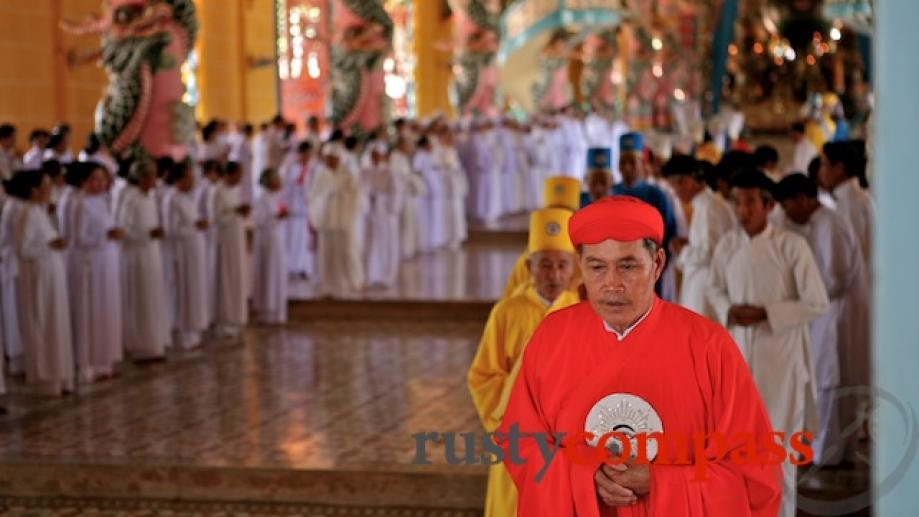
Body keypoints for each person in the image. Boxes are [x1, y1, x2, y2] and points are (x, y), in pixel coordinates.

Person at [497, 196, 782, 516]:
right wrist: (585, 474)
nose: (612, 284)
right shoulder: (552, 337)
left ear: (658, 264)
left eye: (628, 265)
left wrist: (661, 482)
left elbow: (752, 471)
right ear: (581, 266)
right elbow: (520, 444)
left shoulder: (708, 346)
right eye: (597, 267)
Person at [706, 170, 828, 516]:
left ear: (769, 205)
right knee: (738, 444)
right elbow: (713, 288)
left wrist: (767, 313)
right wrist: (729, 310)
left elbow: (817, 301)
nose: (742, 210)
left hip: (782, 359)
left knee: (780, 443)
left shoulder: (791, 246)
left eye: (750, 203)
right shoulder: (728, 245)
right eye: (738, 203)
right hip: (738, 355)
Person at [468, 207, 580, 517]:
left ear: (574, 269)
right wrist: (511, 415)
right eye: (544, 265)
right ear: (528, 267)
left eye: (562, 265)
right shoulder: (506, 312)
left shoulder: (584, 315)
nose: (554, 275)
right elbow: (483, 375)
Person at [775, 173, 869, 467]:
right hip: (827, 313)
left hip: (836, 315)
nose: (788, 213)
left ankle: (827, 455)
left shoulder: (830, 224)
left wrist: (802, 297)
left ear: (803, 200)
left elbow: (836, 279)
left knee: (829, 381)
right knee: (828, 381)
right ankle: (832, 451)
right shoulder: (818, 224)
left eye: (789, 205)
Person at [10, 169, 75, 396]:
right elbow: (23, 249)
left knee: (55, 323)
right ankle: (46, 379)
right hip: (38, 278)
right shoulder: (26, 213)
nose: (51, 191)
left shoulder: (39, 212)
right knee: (43, 322)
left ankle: (61, 376)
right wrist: (50, 245)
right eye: (47, 186)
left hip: (51, 275)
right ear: (33, 190)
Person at [661, 155, 734, 320]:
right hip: (699, 287)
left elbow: (711, 254)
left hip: (705, 290)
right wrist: (688, 245)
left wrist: (682, 250)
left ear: (687, 182)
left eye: (675, 187)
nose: (676, 193)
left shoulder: (710, 207)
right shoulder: (704, 206)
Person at [69, 163, 124, 382]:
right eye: (94, 179)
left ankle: (104, 362)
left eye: (102, 179)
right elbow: (80, 238)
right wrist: (105, 236)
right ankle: (88, 364)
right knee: (92, 310)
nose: (99, 183)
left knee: (107, 309)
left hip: (107, 261)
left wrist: (112, 234)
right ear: (83, 181)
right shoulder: (81, 204)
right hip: (92, 263)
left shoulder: (102, 201)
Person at [612, 132, 677, 299]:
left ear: (642, 163)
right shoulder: (612, 193)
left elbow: (668, 234)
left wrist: (656, 269)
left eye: (631, 162)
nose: (627, 167)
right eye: (623, 162)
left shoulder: (657, 195)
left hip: (649, 273)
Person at [116, 160, 169, 360]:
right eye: (151, 176)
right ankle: (141, 345)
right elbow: (125, 230)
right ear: (142, 178)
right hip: (137, 255)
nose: (155, 180)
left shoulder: (149, 197)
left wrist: (154, 233)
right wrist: (147, 233)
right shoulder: (131, 199)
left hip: (152, 253)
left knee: (153, 297)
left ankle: (155, 342)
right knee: (141, 298)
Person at [501, 176, 582, 300]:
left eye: (566, 214)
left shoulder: (585, 260)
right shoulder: (526, 261)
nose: (554, 275)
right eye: (553, 213)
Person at [162, 160, 209, 349]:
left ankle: (194, 330)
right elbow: (171, 229)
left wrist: (198, 224)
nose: (192, 182)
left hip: (193, 250)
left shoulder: (187, 198)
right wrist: (193, 226)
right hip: (181, 253)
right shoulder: (171, 199)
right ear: (179, 179)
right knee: (183, 291)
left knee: (194, 290)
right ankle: (183, 332)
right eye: (189, 178)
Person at [308, 150, 365, 297]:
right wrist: (326, 198)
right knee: (327, 253)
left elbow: (355, 197)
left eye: (331, 159)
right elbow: (313, 196)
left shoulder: (348, 176)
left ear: (338, 159)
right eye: (327, 159)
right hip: (326, 220)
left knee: (347, 251)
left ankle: (352, 280)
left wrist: (339, 196)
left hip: (343, 221)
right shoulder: (320, 176)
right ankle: (327, 283)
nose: (329, 162)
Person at [818, 142, 875, 273]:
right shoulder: (853, 198)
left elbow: (855, 252)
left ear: (839, 168)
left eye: (823, 165)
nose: (820, 172)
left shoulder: (850, 203)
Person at [213, 161, 250, 339]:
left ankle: (236, 318)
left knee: (236, 277)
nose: (240, 179)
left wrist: (241, 212)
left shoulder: (234, 191)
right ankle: (224, 320)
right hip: (224, 242)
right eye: (238, 175)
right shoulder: (217, 191)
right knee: (226, 279)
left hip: (236, 241)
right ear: (229, 174)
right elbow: (216, 218)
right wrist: (235, 211)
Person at [251, 168, 289, 324]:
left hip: (276, 240)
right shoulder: (262, 199)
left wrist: (279, 217)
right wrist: (276, 217)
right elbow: (259, 221)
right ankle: (267, 311)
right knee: (268, 274)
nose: (280, 182)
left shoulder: (274, 197)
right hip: (267, 242)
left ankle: (277, 311)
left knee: (276, 274)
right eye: (277, 179)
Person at [363, 145, 402, 288]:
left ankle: (386, 277)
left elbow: (396, 194)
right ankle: (370, 275)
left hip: (385, 215)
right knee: (371, 244)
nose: (375, 158)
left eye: (377, 154)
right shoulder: (366, 172)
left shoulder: (390, 172)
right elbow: (362, 191)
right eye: (373, 155)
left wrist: (385, 203)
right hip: (371, 215)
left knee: (387, 245)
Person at [282, 141, 316, 279]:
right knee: (294, 238)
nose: (305, 157)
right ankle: (292, 266)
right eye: (303, 154)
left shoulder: (314, 168)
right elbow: (286, 186)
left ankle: (305, 267)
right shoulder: (291, 168)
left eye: (308, 154)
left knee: (306, 239)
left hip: (308, 208)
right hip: (294, 208)